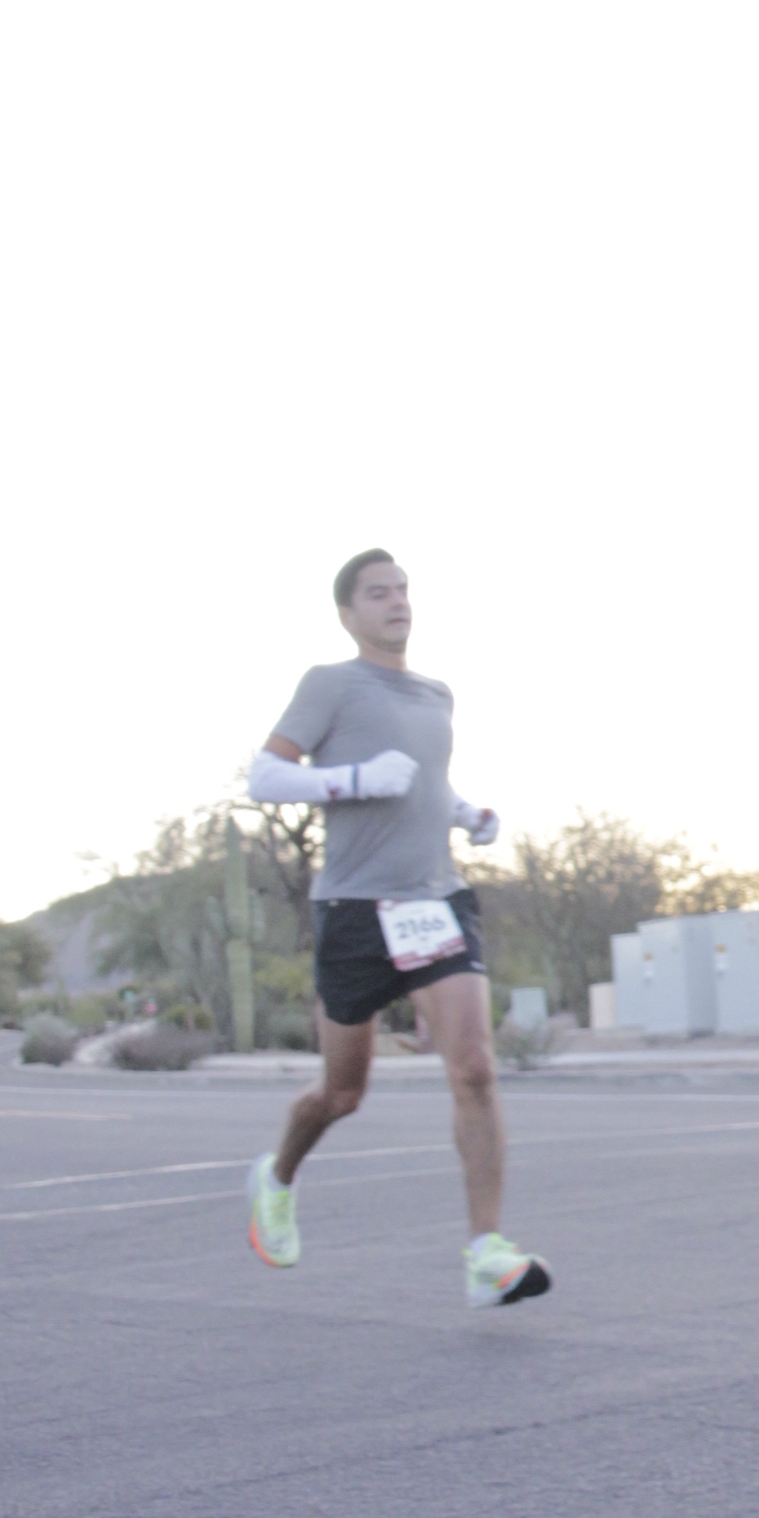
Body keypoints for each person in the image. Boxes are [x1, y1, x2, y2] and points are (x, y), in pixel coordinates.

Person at [242, 548, 550, 1312]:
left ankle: (486, 1253)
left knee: (474, 1066)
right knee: (342, 1093)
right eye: (378, 593)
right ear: (348, 614)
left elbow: (425, 783)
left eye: (403, 589)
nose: (397, 602)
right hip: (355, 910)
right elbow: (265, 776)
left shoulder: (437, 694)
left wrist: (466, 813)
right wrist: (351, 780)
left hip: (432, 900)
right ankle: (277, 1178)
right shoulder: (329, 684)